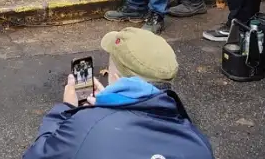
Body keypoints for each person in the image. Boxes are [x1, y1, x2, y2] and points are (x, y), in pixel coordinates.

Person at [22, 27, 215, 159]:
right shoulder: (197, 142)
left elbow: (38, 155)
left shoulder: (84, 127)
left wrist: (66, 111)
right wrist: (112, 104)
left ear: (114, 75)